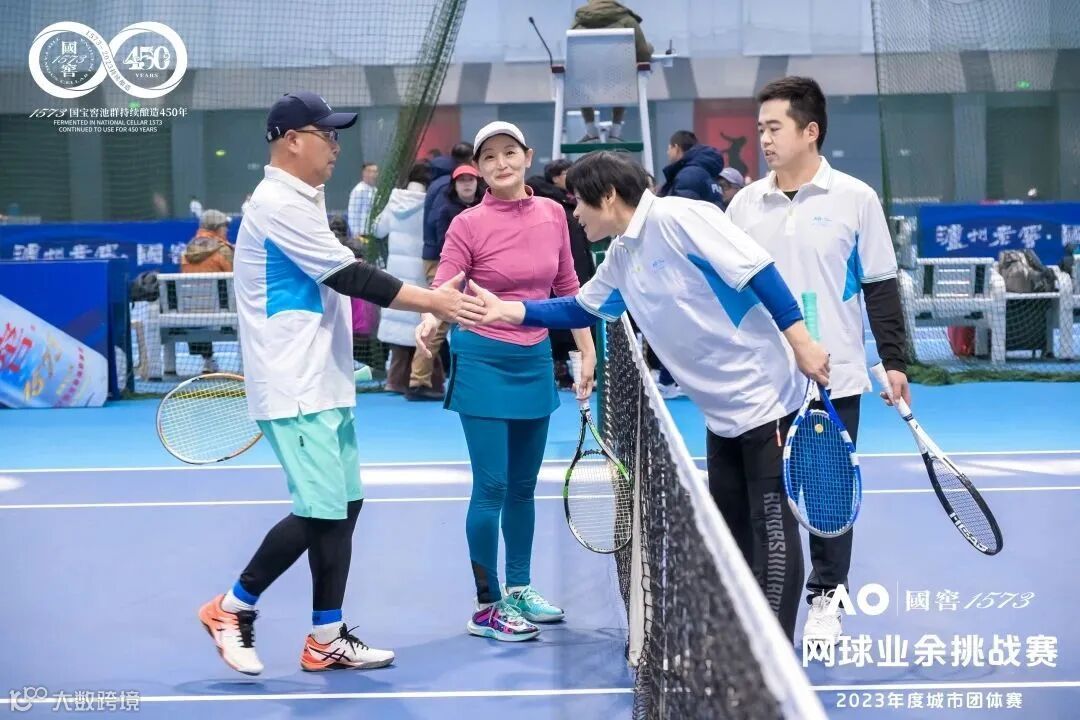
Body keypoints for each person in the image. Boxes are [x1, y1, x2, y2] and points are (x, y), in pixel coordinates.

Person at [465, 150, 830, 641]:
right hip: (720, 414)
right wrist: (507, 311)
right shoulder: (621, 255)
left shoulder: (680, 217)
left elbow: (757, 269)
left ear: (608, 196)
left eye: (579, 202)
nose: (575, 213)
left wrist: (801, 341)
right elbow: (581, 308)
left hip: (766, 399)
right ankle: (745, 639)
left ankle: (775, 651)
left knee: (772, 529)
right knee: (731, 528)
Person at [197, 90, 483, 676]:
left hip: (323, 381)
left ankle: (326, 637)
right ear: (291, 141)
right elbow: (350, 276)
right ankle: (231, 607)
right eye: (325, 134)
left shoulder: (304, 199)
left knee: (344, 505)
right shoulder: (277, 204)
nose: (335, 145)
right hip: (294, 384)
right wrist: (435, 301)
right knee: (322, 510)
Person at [726, 76, 910, 645]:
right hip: (761, 380)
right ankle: (764, 600)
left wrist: (894, 360)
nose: (764, 139)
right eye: (760, 129)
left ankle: (828, 598)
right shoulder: (743, 204)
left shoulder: (856, 199)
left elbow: (880, 285)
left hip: (834, 375)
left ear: (810, 131)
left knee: (828, 496)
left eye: (774, 128)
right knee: (765, 501)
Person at [414, 121, 596, 642]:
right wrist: (429, 317)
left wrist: (585, 349)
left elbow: (567, 285)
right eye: (489, 156)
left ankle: (518, 588)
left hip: (534, 358)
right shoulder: (467, 224)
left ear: (527, 156)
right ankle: (486, 605)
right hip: (482, 360)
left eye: (509, 152)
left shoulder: (554, 214)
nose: (501, 163)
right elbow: (446, 282)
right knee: (491, 485)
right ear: (478, 168)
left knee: (522, 486)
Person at [411, 142, 475, 397]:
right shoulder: (446, 199)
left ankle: (424, 380)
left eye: (471, 180)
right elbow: (442, 239)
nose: (467, 185)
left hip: (445, 262)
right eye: (463, 181)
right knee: (438, 320)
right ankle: (418, 381)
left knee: (450, 322)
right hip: (443, 264)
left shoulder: (440, 185)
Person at [374, 162, 441, 394]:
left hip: (395, 272)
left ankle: (394, 381)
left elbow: (378, 229)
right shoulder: (432, 202)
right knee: (426, 328)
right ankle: (428, 380)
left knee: (398, 327)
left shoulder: (395, 200)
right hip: (422, 271)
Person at [528, 160, 595, 388]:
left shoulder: (567, 202)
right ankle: (561, 369)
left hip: (575, 270)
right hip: (556, 275)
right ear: (556, 177)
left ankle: (572, 368)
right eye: (566, 173)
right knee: (558, 323)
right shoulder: (551, 206)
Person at [571, 0, 653, 142]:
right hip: (620, 85)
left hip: (587, 87)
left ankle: (591, 131)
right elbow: (643, 54)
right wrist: (650, 48)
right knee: (623, 70)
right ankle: (615, 131)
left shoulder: (578, 23)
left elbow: (573, 58)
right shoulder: (627, 20)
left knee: (582, 72)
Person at [181, 209, 235, 373]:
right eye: (225, 226)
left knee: (198, 304)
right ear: (216, 228)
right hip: (224, 311)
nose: (227, 230)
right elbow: (237, 278)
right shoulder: (224, 251)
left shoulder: (187, 251)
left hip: (191, 312)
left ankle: (207, 358)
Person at [658, 130, 725, 206]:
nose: (667, 152)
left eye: (669, 148)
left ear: (676, 148)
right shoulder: (706, 173)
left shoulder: (688, 175)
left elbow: (683, 210)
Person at [347, 162, 378, 239]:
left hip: (373, 233)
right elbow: (353, 213)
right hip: (362, 234)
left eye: (375, 172)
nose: (373, 174)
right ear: (364, 173)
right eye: (370, 171)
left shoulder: (375, 190)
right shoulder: (359, 190)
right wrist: (355, 234)